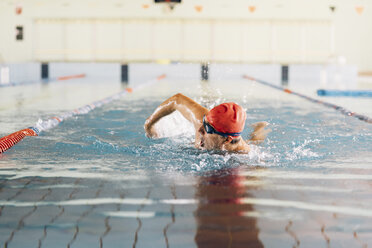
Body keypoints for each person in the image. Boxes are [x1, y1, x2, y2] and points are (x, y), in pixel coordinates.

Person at [144, 93, 270, 153]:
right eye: (204, 123)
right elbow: (177, 100)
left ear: (227, 140)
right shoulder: (205, 122)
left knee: (253, 144)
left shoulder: (246, 158)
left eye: (207, 129)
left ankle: (258, 133)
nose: (199, 130)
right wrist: (149, 124)